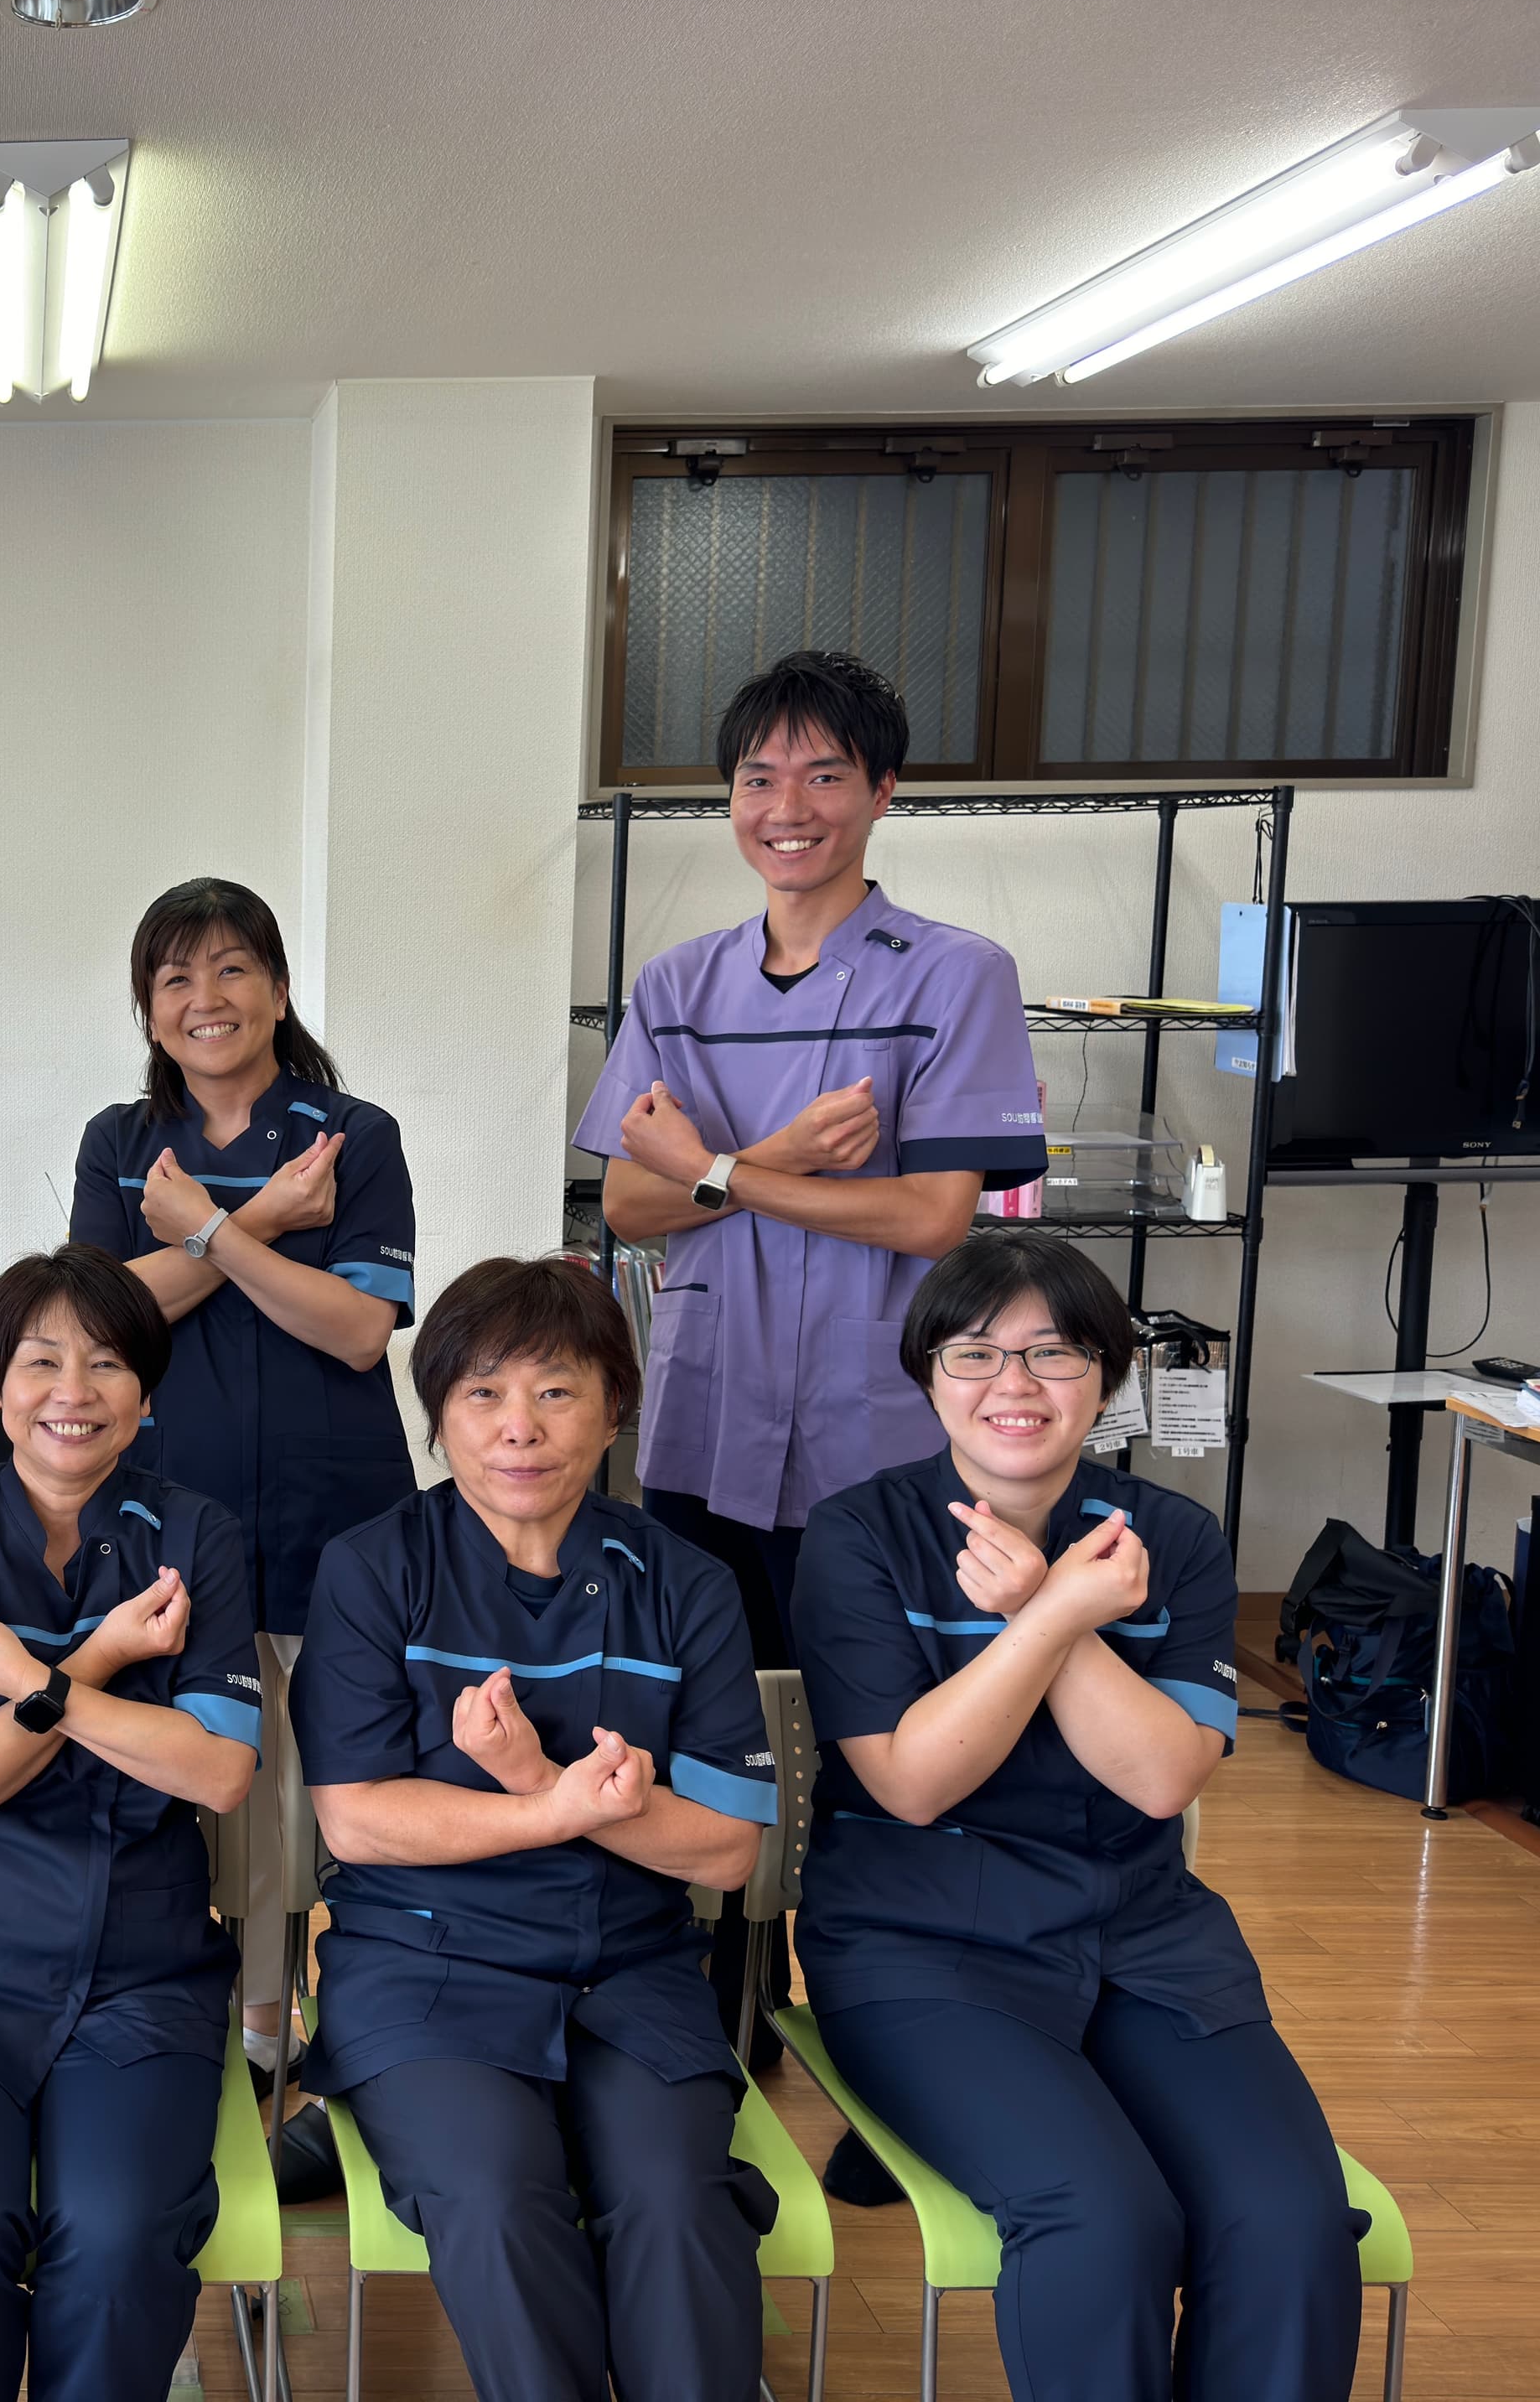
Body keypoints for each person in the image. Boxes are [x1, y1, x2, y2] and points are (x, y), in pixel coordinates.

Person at [572, 648, 1043, 2080]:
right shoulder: (678, 983)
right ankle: (726, 2001)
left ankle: (887, 2019)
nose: (790, 806)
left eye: (826, 774)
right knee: (708, 1716)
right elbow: (627, 1205)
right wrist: (769, 1159)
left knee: (880, 1735)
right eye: (760, 776)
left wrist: (717, 1167)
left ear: (882, 790)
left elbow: (933, 1214)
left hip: (878, 1430)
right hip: (708, 1421)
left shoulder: (955, 976)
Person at [791, 1234, 1360, 2402]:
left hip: (1145, 1942)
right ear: (927, 1375)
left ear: (1106, 1378)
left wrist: (1049, 1610)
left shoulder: (1174, 1539)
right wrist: (1054, 1615)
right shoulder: (860, 1536)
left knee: (1290, 2219)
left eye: (1054, 1353)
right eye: (975, 1353)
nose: (1014, 1383)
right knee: (1104, 2219)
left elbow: (1162, 1779)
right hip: (924, 1948)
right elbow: (911, 1783)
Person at [293, 1257, 779, 2402]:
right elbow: (359, 1821)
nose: (521, 1428)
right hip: (424, 1970)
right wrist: (563, 1806)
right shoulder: (374, 1569)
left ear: (614, 1410)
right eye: (484, 1394)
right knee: (497, 2197)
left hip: (633, 1970)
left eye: (558, 1391)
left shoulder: (687, 1585)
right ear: (439, 1416)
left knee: (676, 2199)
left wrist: (546, 1787)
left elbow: (727, 1849)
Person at [0, 1244, 261, 2402]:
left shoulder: (198, 1539)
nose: (74, 1390)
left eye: (108, 1362)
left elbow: (221, 1773)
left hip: (141, 1967)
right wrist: (109, 1669)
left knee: (121, 2245)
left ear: (146, 1394)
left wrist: (41, 1678)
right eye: (40, 1361)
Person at [70, 876, 414, 2156]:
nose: (206, 999)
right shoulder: (121, 1142)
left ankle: (301, 2022)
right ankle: (200, 2013)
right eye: (176, 978)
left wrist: (207, 1233)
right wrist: (262, 1224)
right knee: (190, 1765)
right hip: (164, 1511)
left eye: (231, 969)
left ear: (276, 988)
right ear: (148, 1008)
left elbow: (358, 1327)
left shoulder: (353, 1134)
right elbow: (100, 1323)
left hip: (336, 1505)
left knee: (332, 1769)